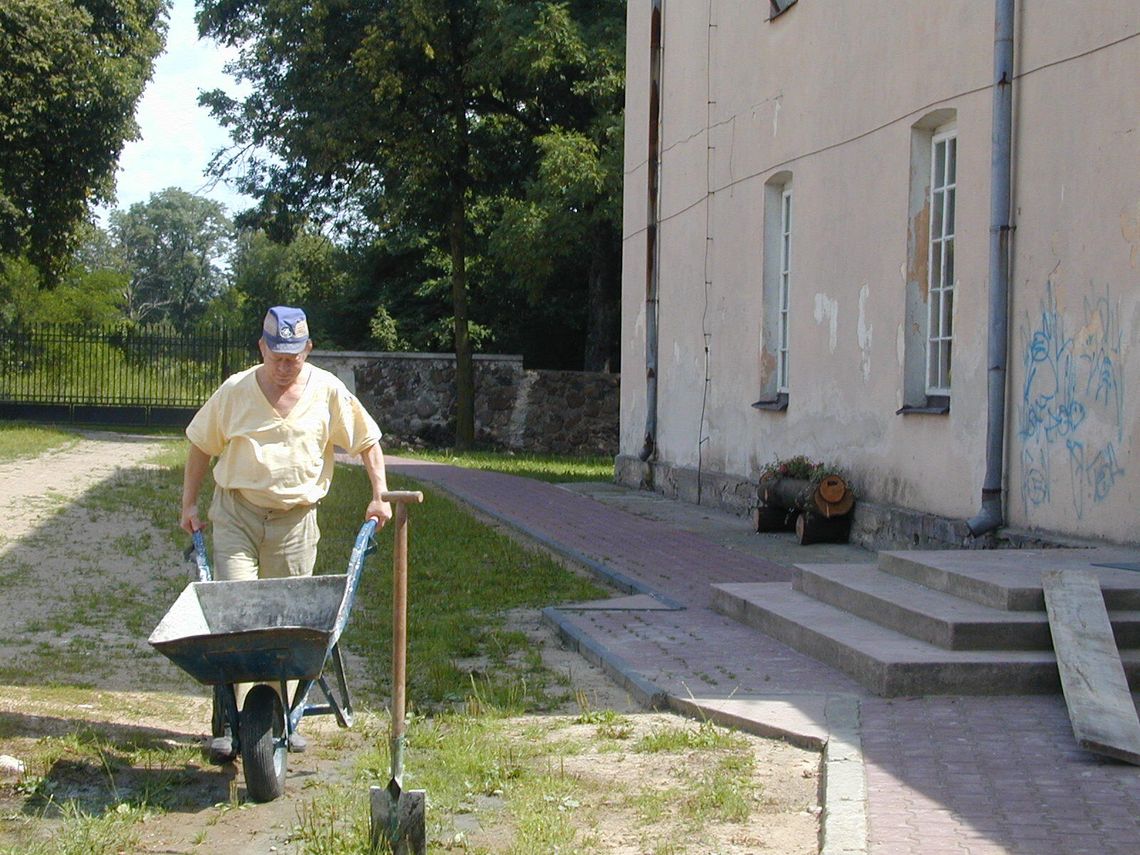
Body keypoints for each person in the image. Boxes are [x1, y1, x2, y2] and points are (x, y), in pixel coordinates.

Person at [180, 305, 392, 759]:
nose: (283, 365)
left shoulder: (328, 392)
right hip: (237, 514)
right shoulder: (236, 391)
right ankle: (230, 717)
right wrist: (189, 505)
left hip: (296, 522)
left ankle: (282, 714)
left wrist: (380, 494)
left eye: (293, 357)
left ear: (308, 350)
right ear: (261, 347)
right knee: (237, 614)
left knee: (287, 624)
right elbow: (200, 445)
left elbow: (368, 440)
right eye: (275, 355)